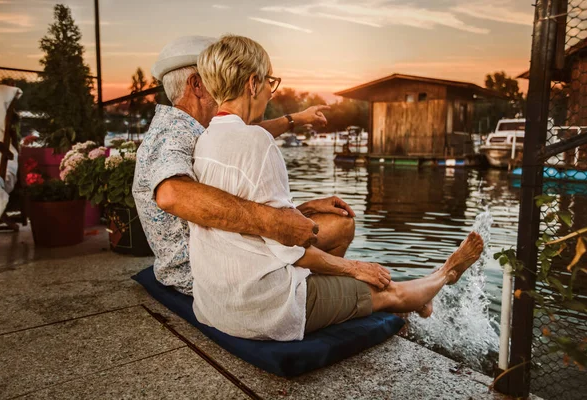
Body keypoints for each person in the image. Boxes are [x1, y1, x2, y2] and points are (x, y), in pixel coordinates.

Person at [189, 34, 484, 341]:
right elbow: (292, 249)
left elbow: (247, 218)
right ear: (252, 84)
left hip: (214, 304)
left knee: (337, 244)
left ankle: (361, 297)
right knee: (389, 290)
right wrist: (355, 267)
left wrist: (309, 209)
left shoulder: (205, 140)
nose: (270, 93)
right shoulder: (257, 143)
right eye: (268, 83)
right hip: (262, 310)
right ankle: (444, 275)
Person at [133, 36, 359, 295]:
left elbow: (242, 134)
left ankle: (319, 287)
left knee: (327, 221)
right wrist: (277, 222)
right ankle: (317, 294)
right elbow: (171, 195)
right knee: (341, 226)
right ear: (196, 84)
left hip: (220, 254)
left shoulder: (189, 127)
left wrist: (296, 120)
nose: (228, 86)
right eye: (219, 77)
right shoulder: (172, 133)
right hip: (204, 273)